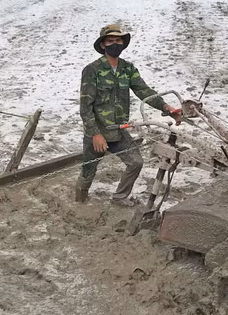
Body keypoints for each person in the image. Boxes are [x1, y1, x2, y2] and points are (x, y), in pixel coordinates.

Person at [76, 24, 180, 205]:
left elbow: (144, 91)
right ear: (103, 45)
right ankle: (79, 200)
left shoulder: (128, 69)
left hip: (118, 130)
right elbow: (85, 107)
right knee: (88, 171)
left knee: (135, 162)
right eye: (110, 41)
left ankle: (119, 197)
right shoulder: (93, 70)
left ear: (123, 43)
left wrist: (167, 107)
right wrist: (96, 134)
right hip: (98, 131)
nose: (114, 44)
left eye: (118, 40)